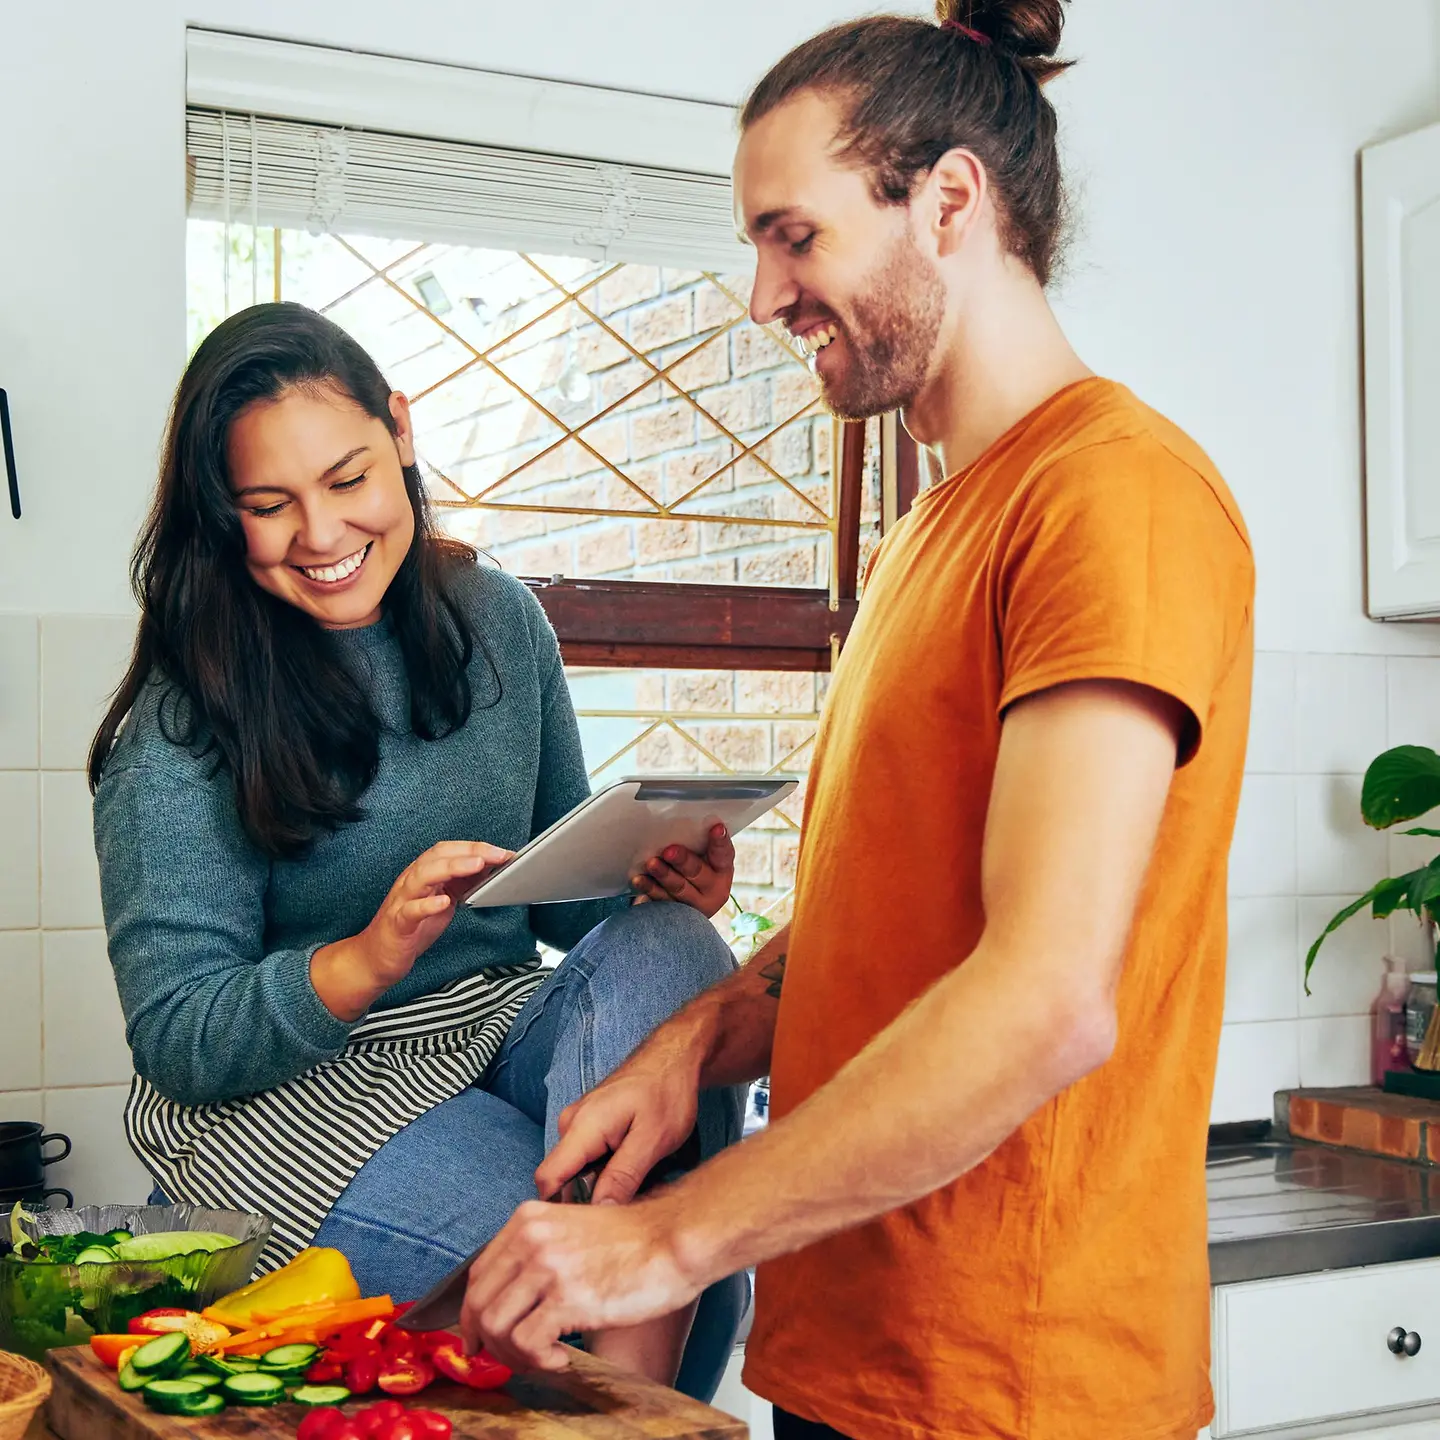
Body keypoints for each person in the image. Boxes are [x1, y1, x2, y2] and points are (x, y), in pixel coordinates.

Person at [455, 3, 1255, 1438]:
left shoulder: (1113, 500)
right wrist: (694, 1043)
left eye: (793, 235)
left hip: (1016, 1383)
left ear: (948, 202)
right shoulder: (931, 534)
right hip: (858, 1356)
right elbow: (887, 923)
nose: (762, 294)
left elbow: (1046, 998)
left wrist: (670, 1238)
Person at [88, 301, 749, 1397]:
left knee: (673, 950)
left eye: (347, 480)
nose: (322, 534)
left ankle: (624, 1371)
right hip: (297, 1091)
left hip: (491, 1026)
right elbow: (180, 1041)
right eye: (269, 505)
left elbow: (573, 922)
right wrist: (367, 956)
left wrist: (651, 881)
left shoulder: (499, 623)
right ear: (222, 515)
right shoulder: (180, 725)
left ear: (400, 430)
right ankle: (641, 1392)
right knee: (603, 1254)